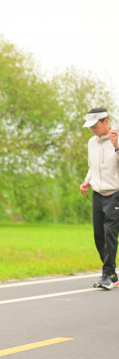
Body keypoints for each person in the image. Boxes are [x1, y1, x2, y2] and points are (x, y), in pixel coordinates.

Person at [80, 107, 119, 290]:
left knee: (110, 233)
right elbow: (92, 166)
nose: (92, 129)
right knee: (99, 235)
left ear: (106, 121)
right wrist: (87, 181)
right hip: (98, 194)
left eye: (95, 125)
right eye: (90, 126)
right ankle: (111, 274)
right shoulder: (91, 142)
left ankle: (108, 275)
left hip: (115, 193)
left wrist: (117, 147)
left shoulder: (117, 139)